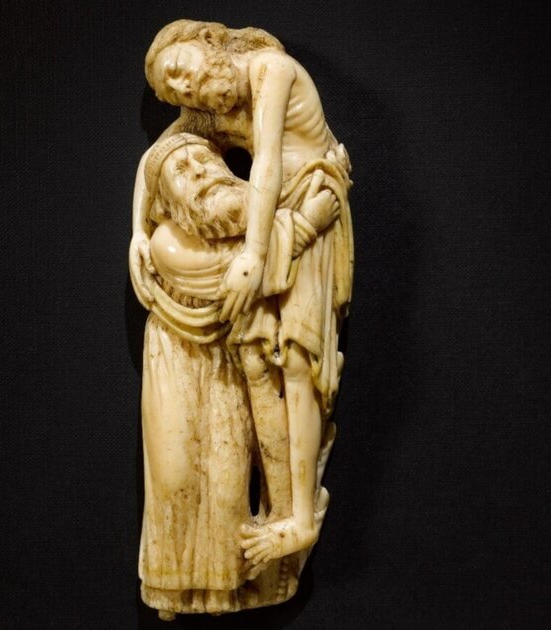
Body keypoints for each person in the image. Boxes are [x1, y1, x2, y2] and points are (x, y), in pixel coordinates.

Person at [131, 20, 354, 573]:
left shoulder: (269, 70)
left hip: (305, 202)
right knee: (265, 362)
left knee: (297, 363)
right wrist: (137, 230)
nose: (183, 88)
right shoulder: (212, 102)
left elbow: (268, 163)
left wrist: (255, 254)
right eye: (172, 91)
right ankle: (281, 508)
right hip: (273, 217)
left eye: (178, 69)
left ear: (206, 41)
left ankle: (299, 520)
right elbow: (155, 155)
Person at [132, 133, 341, 616]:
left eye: (203, 158)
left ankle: (231, 586)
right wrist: (306, 222)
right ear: (166, 201)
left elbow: (256, 245)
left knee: (226, 478)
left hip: (231, 358)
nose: (199, 171)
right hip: (178, 356)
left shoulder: (246, 221)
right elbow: (240, 277)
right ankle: (173, 588)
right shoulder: (167, 243)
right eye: (181, 171)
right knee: (175, 476)